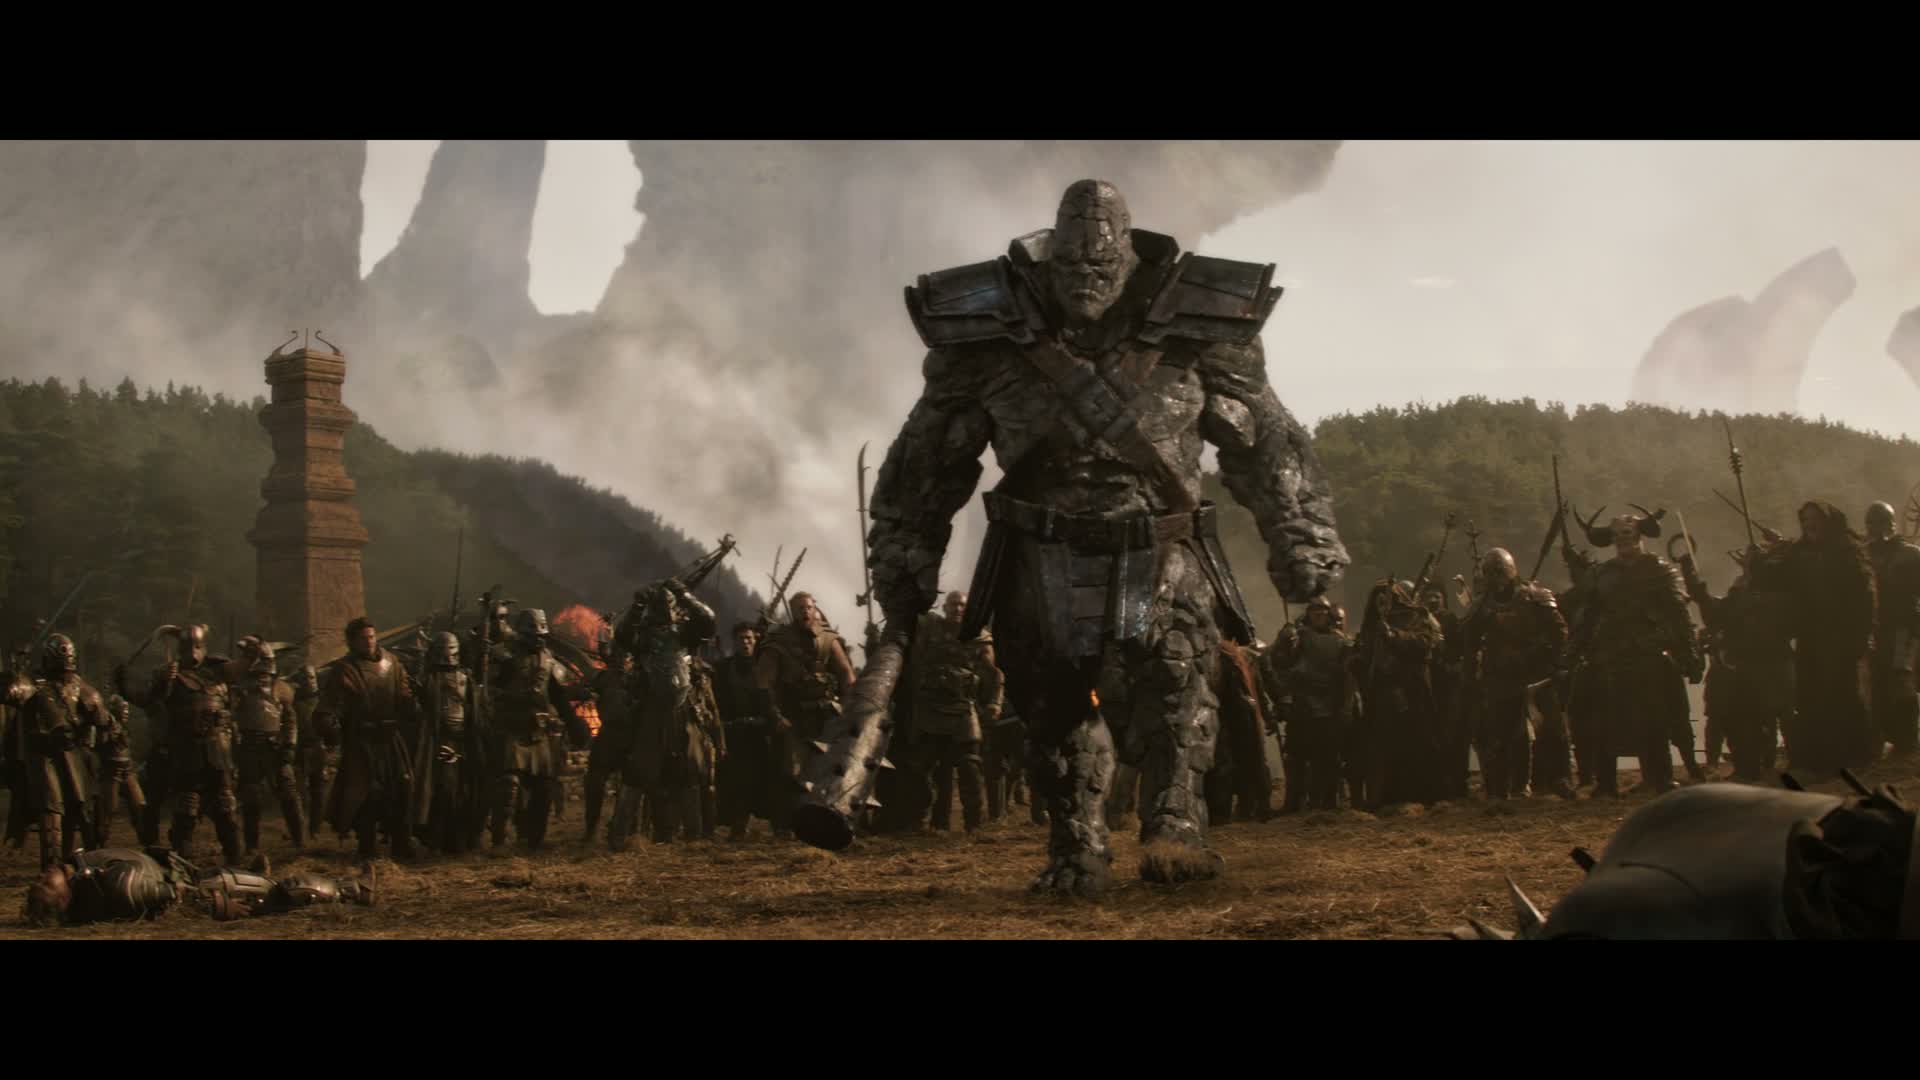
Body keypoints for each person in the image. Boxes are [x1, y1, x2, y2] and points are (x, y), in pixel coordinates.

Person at [862, 179, 1347, 895]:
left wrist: (1301, 532)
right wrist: (905, 552)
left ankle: (1176, 825)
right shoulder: (984, 330)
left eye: (1100, 260)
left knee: (1177, 683)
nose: (1085, 273)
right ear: (1050, 254)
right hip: (1037, 559)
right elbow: (928, 455)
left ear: (1126, 254)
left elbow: (1265, 437)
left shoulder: (1202, 319)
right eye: (1071, 260)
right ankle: (1077, 848)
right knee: (1051, 708)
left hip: (1161, 554)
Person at [1567, 509, 1699, 796]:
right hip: (1610, 654)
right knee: (1604, 720)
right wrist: (1573, 653)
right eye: (1617, 535)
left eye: (1627, 534)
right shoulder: (1602, 573)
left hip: (1649, 653)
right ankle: (1605, 783)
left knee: (1655, 718)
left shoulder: (1659, 569)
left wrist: (1689, 652)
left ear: (1639, 535)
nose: (1622, 540)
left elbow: (1678, 613)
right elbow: (1587, 615)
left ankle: (1660, 778)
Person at [1751, 502, 1877, 774]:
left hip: (1841, 637)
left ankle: (1852, 756)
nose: (1809, 525)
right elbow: (1775, 580)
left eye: (1814, 519)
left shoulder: (1847, 552)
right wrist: (1757, 563)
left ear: (1828, 522)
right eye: (1805, 520)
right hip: (1810, 636)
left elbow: (1865, 599)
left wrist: (1860, 637)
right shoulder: (1798, 554)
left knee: (1841, 694)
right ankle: (1816, 759)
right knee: (1809, 695)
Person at [117, 624, 240, 863]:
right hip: (185, 751)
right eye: (188, 647)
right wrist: (137, 682)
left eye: (197, 646)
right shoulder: (169, 676)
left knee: (226, 804)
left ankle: (235, 859)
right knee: (186, 805)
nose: (192, 653)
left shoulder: (216, 674)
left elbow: (233, 690)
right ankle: (180, 859)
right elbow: (147, 698)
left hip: (217, 750)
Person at [25, 846, 373, 926]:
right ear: (65, 896)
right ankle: (355, 890)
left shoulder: (85, 867)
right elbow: (174, 898)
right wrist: (218, 907)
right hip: (211, 889)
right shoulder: (116, 885)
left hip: (194, 875)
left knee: (268, 885)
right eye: (45, 883)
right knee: (287, 890)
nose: (43, 875)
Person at [1461, 548, 1572, 800]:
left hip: (1537, 673)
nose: (1496, 579)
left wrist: (1552, 660)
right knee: (1502, 735)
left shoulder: (1534, 597)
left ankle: (1560, 779)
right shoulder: (1481, 607)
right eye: (1491, 574)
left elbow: (1559, 631)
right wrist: (1470, 679)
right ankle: (1501, 789)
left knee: (1553, 728)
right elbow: (1469, 644)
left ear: (1510, 572)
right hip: (1502, 676)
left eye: (1499, 572)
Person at [314, 617, 418, 861]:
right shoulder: (344, 669)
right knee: (368, 793)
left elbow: (404, 695)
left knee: (402, 787)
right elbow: (330, 704)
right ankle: (367, 846)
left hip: (390, 738)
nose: (369, 642)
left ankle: (401, 843)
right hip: (361, 740)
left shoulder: (392, 663)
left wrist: (413, 704)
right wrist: (329, 724)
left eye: (371, 636)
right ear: (352, 641)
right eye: (363, 638)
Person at [756, 592, 855, 839]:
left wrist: (848, 706)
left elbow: (846, 674)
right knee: (792, 771)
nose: (805, 612)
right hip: (793, 716)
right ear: (792, 612)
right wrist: (775, 715)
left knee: (828, 770)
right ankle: (785, 826)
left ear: (814, 609)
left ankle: (824, 825)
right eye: (800, 608)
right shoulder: (778, 642)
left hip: (826, 715)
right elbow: (764, 684)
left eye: (809, 607)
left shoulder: (828, 638)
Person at [487, 608, 586, 852]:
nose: (539, 639)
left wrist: (574, 723)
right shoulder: (505, 656)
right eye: (535, 635)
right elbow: (489, 692)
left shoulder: (548, 660)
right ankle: (499, 840)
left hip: (538, 733)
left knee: (543, 788)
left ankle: (533, 839)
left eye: (542, 634)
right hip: (512, 728)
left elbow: (559, 697)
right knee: (509, 786)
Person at [908, 591, 1002, 835]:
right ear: (945, 607)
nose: (957, 609)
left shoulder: (978, 635)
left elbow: (994, 674)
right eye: (953, 604)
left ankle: (974, 824)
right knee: (923, 767)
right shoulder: (930, 628)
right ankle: (922, 821)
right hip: (930, 707)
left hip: (963, 708)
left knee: (970, 766)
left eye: (962, 605)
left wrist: (995, 703)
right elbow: (913, 656)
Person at [9, 634, 106, 868]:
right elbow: (12, 692)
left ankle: (87, 867)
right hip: (44, 758)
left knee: (83, 814)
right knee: (51, 814)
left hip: (74, 757)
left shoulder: (80, 688)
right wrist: (16, 673)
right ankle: (52, 869)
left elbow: (103, 719)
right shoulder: (34, 685)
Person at [1352, 581, 1445, 807]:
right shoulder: (1370, 626)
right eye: (1379, 602)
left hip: (1412, 692)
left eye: (1387, 601)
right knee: (1384, 747)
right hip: (1380, 695)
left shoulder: (1416, 617)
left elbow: (1425, 643)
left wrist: (1395, 636)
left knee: (1416, 744)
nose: (1383, 606)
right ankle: (1386, 798)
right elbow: (1365, 659)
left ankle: (1422, 797)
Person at [229, 638, 305, 855]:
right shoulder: (240, 688)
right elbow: (231, 718)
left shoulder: (281, 688)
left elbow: (290, 719)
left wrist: (289, 745)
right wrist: (234, 746)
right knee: (251, 798)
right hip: (249, 746)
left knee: (289, 794)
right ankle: (252, 846)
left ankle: (299, 841)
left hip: (275, 746)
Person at [412, 632, 485, 853]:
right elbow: (419, 707)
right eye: (444, 650)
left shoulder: (466, 677)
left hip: (464, 740)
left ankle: (460, 840)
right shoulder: (428, 678)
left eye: (452, 650)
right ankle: (438, 839)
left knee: (465, 790)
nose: (448, 655)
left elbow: (474, 708)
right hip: (438, 740)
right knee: (444, 789)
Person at [1863, 501, 1920, 756]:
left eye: (1881, 522)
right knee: (1875, 683)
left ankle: (1906, 741)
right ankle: (1877, 738)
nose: (1876, 528)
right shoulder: (1862, 555)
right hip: (1874, 629)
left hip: (1902, 629)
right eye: (1872, 523)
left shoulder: (1911, 555)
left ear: (1891, 524)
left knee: (1901, 681)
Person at [94, 694, 150, 846]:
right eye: (123, 709)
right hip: (111, 772)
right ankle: (99, 844)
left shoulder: (124, 726)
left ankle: (146, 843)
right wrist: (109, 732)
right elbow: (98, 744)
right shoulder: (105, 725)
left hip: (128, 770)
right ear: (115, 709)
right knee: (108, 811)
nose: (126, 712)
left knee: (140, 806)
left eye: (127, 709)